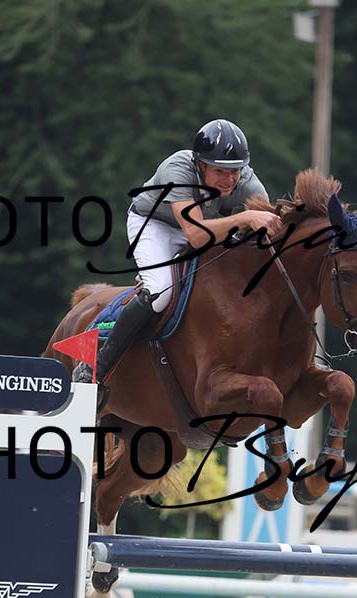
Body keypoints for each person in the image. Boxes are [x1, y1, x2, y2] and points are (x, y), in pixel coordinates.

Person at [76, 119, 281, 394]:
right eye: (220, 171)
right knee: (160, 292)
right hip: (155, 225)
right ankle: (96, 369)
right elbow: (196, 235)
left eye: (235, 171)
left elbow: (265, 234)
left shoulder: (247, 183)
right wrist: (244, 218)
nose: (229, 180)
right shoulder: (178, 169)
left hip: (206, 228)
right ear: (200, 165)